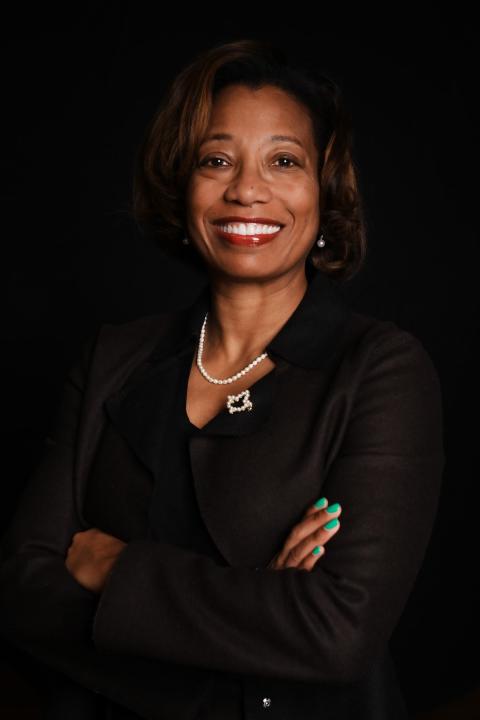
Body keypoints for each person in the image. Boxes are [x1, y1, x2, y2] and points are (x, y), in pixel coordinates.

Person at [0, 38, 445, 720]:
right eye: (215, 160)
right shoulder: (112, 357)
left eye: (284, 161)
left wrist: (115, 569)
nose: (245, 188)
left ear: (325, 188)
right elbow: (22, 593)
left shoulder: (381, 370)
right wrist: (255, 610)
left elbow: (337, 635)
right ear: (182, 186)